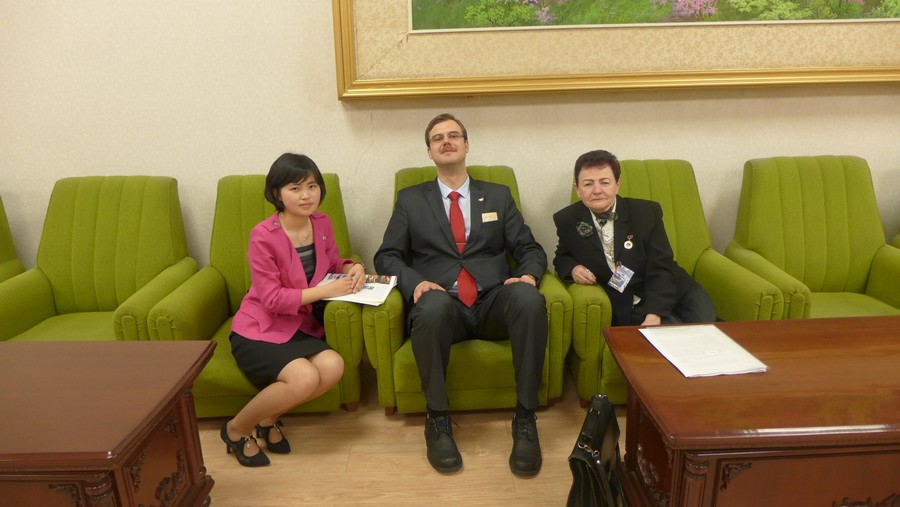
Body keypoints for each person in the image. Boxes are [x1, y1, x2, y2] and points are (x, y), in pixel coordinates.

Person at [374, 113, 549, 476]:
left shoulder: (498, 195)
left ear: (467, 145)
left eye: (454, 135)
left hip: (493, 300)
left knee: (529, 299)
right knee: (431, 306)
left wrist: (529, 276)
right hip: (445, 304)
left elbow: (529, 247)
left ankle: (525, 419)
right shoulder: (411, 200)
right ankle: (438, 420)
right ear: (429, 151)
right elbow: (387, 256)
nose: (446, 141)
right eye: (438, 138)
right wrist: (415, 283)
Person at [221, 153, 366, 467]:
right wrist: (325, 291)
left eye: (312, 186)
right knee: (304, 378)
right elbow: (272, 299)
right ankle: (235, 429)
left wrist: (353, 267)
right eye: (295, 188)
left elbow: (332, 263)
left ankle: (268, 419)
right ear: (277, 193)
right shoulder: (263, 235)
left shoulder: (322, 222)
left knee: (333, 367)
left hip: (300, 325)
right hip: (259, 329)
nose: (306, 195)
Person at [553, 149, 716, 327]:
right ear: (577, 188)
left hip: (671, 287)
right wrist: (573, 268)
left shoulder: (646, 213)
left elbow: (661, 266)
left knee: (708, 327)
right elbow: (562, 256)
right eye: (588, 184)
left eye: (605, 182)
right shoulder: (567, 220)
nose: (597, 190)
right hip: (628, 299)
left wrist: (655, 313)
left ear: (617, 185)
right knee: (666, 335)